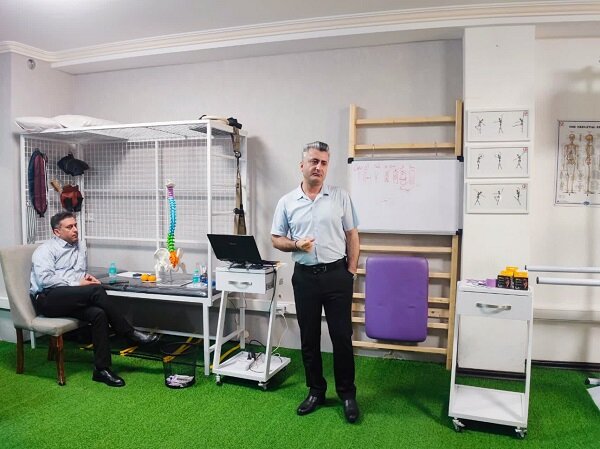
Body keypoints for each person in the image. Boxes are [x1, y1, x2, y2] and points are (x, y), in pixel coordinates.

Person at [271, 141, 360, 423]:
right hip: (305, 278)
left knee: (341, 337)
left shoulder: (340, 197)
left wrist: (351, 271)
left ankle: (347, 394)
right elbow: (276, 239)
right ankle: (316, 391)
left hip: (337, 276)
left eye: (323, 162)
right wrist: (296, 244)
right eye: (313, 161)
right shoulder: (287, 202)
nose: (318, 167)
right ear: (302, 165)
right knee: (309, 337)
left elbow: (353, 235)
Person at [30, 211, 159, 387]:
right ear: (57, 232)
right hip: (48, 299)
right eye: (69, 227)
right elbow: (45, 280)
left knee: (98, 314)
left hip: (69, 296)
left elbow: (77, 272)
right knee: (96, 291)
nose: (75, 229)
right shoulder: (45, 250)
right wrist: (78, 284)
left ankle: (101, 369)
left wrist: (86, 278)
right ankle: (129, 333)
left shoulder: (80, 246)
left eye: (75, 225)